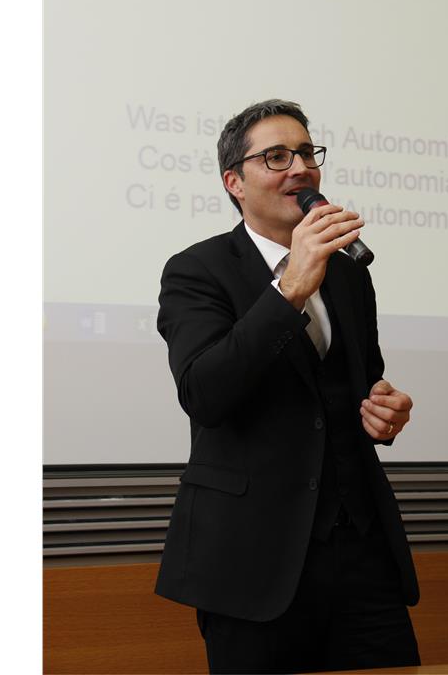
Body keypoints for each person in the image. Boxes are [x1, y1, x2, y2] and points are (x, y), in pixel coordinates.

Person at [155, 99, 420, 673]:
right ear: (234, 182)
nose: (299, 167)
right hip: (252, 560)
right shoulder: (196, 270)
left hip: (361, 553)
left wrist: (384, 411)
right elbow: (204, 392)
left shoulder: (347, 272)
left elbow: (360, 384)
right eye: (276, 156)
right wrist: (289, 289)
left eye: (306, 153)